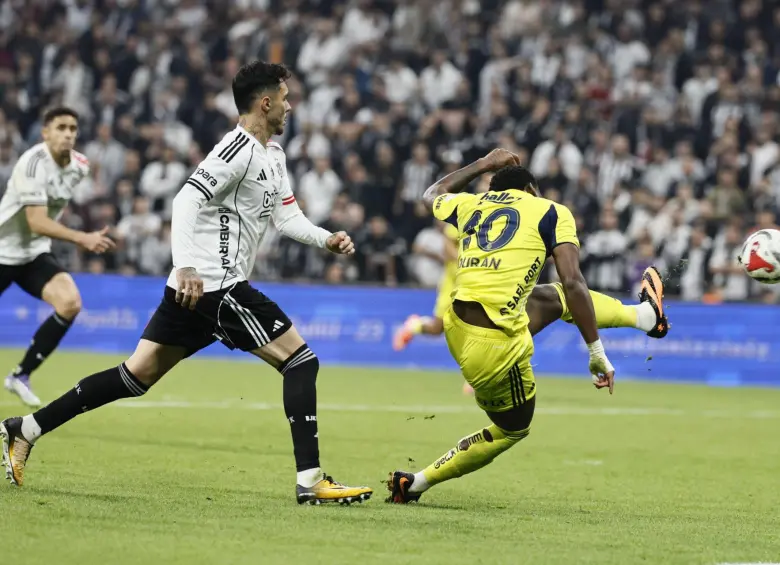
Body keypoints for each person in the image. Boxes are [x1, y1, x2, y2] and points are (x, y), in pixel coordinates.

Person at [1, 61, 373, 506]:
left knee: (134, 376)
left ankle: (27, 428)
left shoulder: (274, 156)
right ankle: (311, 482)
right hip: (216, 286)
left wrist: (325, 238)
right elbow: (186, 199)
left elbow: (286, 215)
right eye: (286, 98)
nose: (291, 106)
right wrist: (187, 267)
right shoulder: (236, 150)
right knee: (300, 362)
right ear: (265, 102)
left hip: (197, 292)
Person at [386, 149, 624, 503]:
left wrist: (483, 163)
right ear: (530, 188)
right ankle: (416, 483)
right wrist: (596, 353)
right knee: (514, 428)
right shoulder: (550, 211)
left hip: (457, 325)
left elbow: (431, 194)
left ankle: (646, 317)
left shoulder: (473, 205)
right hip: (493, 339)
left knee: (549, 299)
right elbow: (575, 283)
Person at [0, 107, 115, 407]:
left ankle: (20, 375)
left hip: (32, 253)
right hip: (3, 250)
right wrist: (82, 238)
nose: (68, 134)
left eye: (73, 128)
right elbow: (36, 220)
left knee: (70, 303)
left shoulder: (80, 165)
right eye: (61, 127)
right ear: (45, 132)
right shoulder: (32, 164)